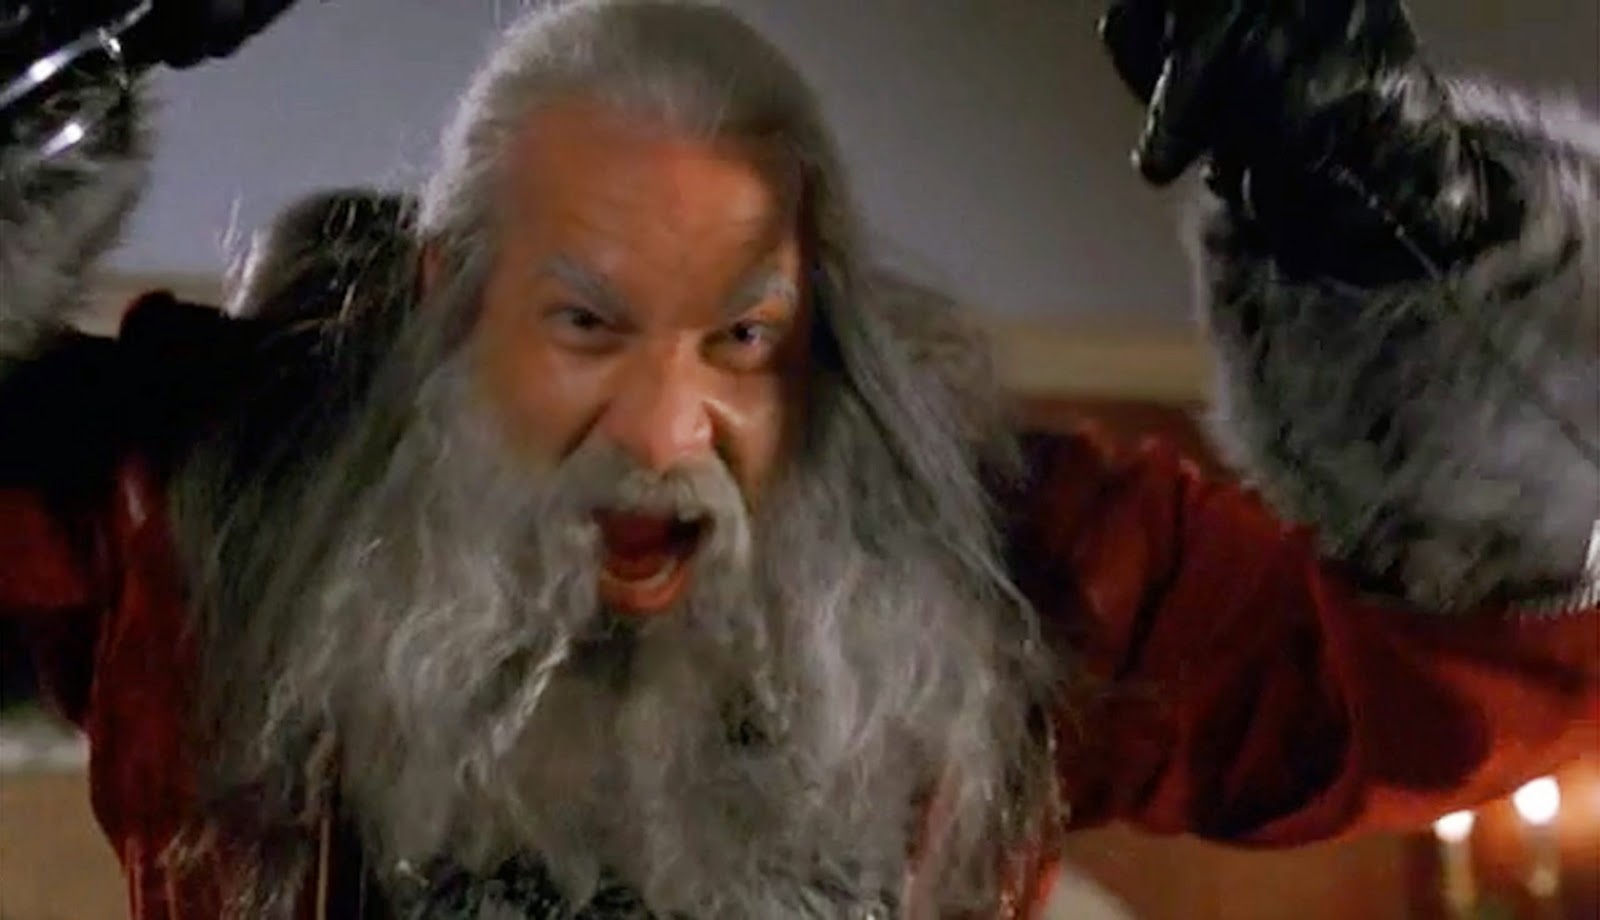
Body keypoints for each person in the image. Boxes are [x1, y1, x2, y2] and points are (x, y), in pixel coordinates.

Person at [0, 0, 1595, 917]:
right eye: (583, 323)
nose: (661, 431)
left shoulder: (1011, 572)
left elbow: (1487, 675)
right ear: (448, 302)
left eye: (743, 336)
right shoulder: (207, 513)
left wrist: (1400, 229)